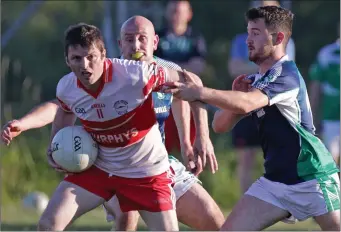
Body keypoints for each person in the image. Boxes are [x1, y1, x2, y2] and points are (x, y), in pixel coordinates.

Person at [1, 17, 223, 231]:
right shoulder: (68, 86)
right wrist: (54, 144)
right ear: (67, 60)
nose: (85, 66)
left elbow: (191, 88)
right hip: (103, 167)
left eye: (90, 57)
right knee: (50, 224)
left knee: (212, 222)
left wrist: (198, 139)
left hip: (148, 170)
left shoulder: (140, 74)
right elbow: (63, 108)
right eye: (77, 59)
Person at [164, 6, 340, 231]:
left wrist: (200, 92)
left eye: (256, 33)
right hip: (275, 183)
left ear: (278, 38)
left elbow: (247, 103)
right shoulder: (257, 81)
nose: (248, 40)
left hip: (314, 177)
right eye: (248, 32)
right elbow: (219, 125)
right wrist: (236, 98)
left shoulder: (285, 74)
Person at [227, 0, 296, 193]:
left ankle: (282, 203)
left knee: (279, 158)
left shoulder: (285, 40)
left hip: (273, 106)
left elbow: (281, 68)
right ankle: (248, 203)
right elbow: (234, 68)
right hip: (247, 106)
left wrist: (257, 68)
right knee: (246, 160)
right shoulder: (241, 40)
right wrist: (263, 66)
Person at [155, 0, 207, 154]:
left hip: (188, 99)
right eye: (172, 11)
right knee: (161, 148)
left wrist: (169, 67)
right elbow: (152, 66)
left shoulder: (195, 37)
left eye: (179, 11)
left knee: (191, 147)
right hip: (161, 99)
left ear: (188, 14)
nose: (175, 15)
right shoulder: (158, 37)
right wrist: (183, 68)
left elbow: (199, 66)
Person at [308, 26, 340, 166]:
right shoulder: (327, 53)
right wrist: (311, 119)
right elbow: (316, 86)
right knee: (331, 160)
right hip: (331, 116)